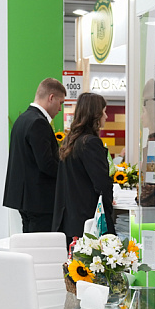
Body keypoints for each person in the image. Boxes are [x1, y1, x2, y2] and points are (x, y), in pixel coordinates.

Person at [52, 92, 115, 248]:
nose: (106, 116)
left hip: (69, 220)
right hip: (89, 222)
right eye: (104, 111)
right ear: (95, 114)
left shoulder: (70, 141)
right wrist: (109, 205)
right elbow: (101, 183)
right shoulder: (90, 143)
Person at [3, 78, 66, 232]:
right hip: (39, 200)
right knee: (40, 243)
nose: (60, 109)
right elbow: (46, 164)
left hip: (25, 198)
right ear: (51, 98)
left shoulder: (22, 119)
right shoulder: (39, 122)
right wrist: (68, 174)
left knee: (29, 240)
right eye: (60, 103)